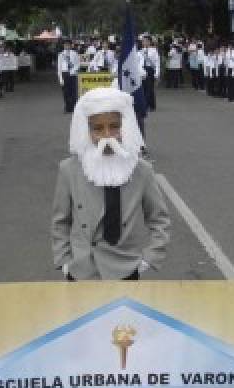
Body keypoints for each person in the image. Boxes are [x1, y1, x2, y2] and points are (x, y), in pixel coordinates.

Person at [51, 87, 169, 281]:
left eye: (114, 126)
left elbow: (159, 219)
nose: (107, 135)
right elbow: (60, 221)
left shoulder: (141, 170)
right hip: (81, 269)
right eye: (97, 129)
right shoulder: (70, 169)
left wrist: (148, 259)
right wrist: (64, 260)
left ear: (125, 126)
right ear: (87, 130)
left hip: (126, 268)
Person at [57, 38, 80, 113]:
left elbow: (77, 64)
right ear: (63, 45)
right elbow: (59, 68)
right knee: (65, 92)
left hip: (72, 74)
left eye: (68, 45)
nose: (67, 46)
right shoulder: (61, 55)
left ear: (71, 45)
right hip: (64, 74)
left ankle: (73, 107)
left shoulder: (74, 53)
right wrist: (60, 79)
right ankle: (67, 107)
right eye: (65, 45)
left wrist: (72, 71)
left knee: (73, 92)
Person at [140, 36, 160, 111]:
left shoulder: (154, 51)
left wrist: (157, 73)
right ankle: (144, 104)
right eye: (143, 41)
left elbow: (157, 62)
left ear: (150, 42)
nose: (144, 42)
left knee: (150, 88)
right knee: (144, 88)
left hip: (150, 69)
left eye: (146, 41)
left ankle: (150, 105)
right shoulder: (140, 51)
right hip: (142, 70)